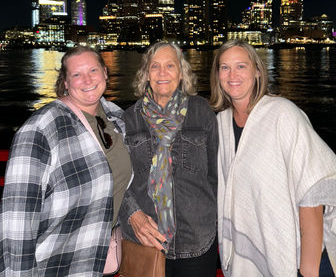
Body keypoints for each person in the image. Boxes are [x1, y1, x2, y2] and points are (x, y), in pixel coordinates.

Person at [0, 45, 132, 276]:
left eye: (93, 70)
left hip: (102, 256)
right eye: (76, 74)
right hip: (58, 263)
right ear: (66, 83)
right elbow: (17, 217)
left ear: (105, 74)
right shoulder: (42, 127)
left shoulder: (116, 117)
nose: (87, 79)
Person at [210, 39, 336, 277]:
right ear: (217, 75)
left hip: (300, 257)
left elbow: (313, 189)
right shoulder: (221, 124)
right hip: (253, 257)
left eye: (241, 66)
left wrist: (308, 267)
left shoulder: (282, 114)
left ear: (257, 71)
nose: (232, 74)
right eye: (224, 67)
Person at [119, 42, 218, 277]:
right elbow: (118, 180)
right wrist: (131, 213)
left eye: (170, 66)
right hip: (146, 243)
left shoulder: (201, 112)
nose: (162, 73)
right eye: (155, 67)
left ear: (181, 73)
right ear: (145, 75)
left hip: (197, 242)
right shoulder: (129, 119)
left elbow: (216, 175)